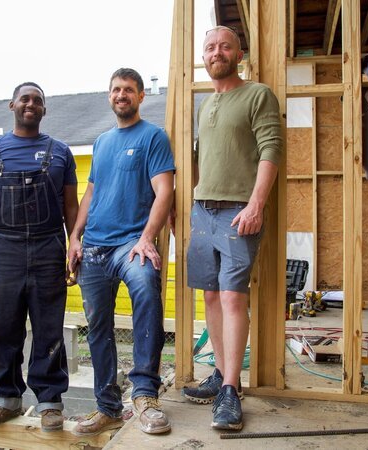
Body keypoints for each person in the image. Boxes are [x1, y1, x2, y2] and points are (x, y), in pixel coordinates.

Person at [181, 26, 282, 431]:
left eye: (224, 46)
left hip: (239, 212)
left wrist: (257, 203)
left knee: (232, 298)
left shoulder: (257, 94)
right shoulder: (205, 105)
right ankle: (221, 375)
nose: (216, 52)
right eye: (209, 47)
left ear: (239, 54)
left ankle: (230, 390)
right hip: (202, 212)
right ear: (203, 57)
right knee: (209, 297)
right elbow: (198, 160)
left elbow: (271, 148)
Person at [0, 82, 79, 432]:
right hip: (3, 248)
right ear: (12, 105)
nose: (31, 104)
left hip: (48, 247)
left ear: (44, 110)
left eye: (38, 101)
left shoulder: (60, 152)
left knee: (48, 327)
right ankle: (6, 399)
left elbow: (71, 207)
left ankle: (49, 402)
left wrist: (74, 248)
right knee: (2, 325)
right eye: (25, 99)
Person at [68, 68, 175, 436]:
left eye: (128, 89)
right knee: (98, 324)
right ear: (109, 95)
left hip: (131, 244)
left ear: (141, 96)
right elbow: (91, 193)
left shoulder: (153, 137)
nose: (121, 95)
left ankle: (145, 394)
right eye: (115, 89)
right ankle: (108, 407)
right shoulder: (102, 142)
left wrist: (147, 237)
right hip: (94, 247)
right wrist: (75, 236)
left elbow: (165, 192)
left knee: (146, 288)